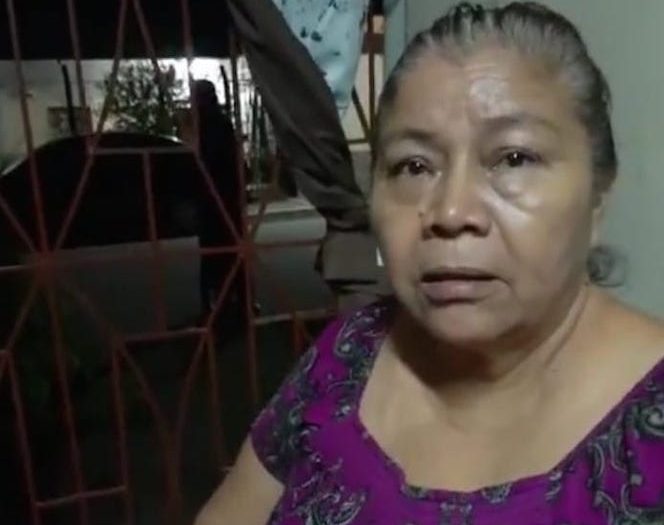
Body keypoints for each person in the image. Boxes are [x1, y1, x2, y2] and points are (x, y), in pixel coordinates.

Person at [196, 2, 664, 524]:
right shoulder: (348, 355)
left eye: (514, 158)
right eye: (414, 166)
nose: (450, 212)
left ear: (598, 197)